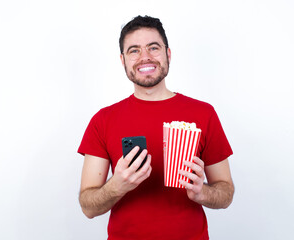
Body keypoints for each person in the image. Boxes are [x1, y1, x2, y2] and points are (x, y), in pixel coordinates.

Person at [78, 15, 234, 240]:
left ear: (168, 54)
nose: (145, 57)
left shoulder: (204, 113)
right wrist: (117, 185)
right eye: (134, 50)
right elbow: (88, 207)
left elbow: (226, 193)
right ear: (123, 61)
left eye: (153, 47)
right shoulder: (102, 120)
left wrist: (203, 192)